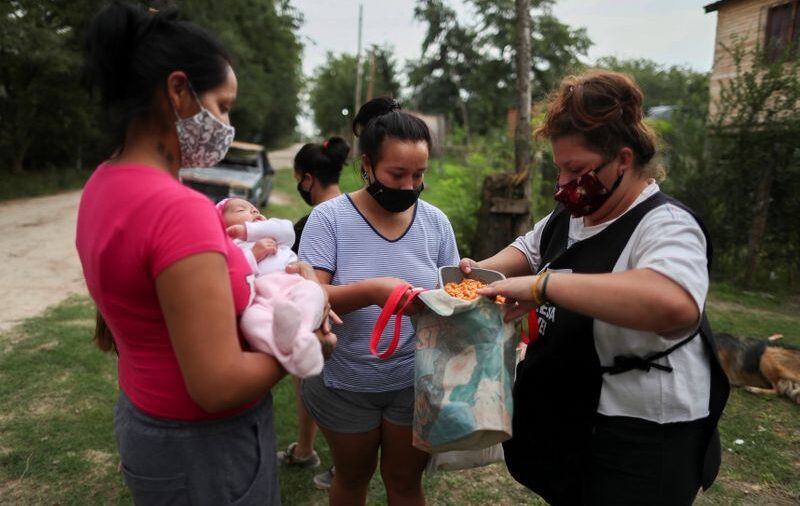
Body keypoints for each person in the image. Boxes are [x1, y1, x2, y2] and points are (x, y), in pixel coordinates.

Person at [75, 3, 334, 505]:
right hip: (207, 450)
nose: (225, 123)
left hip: (147, 425)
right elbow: (216, 386)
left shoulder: (102, 185)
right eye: (222, 105)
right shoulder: (178, 210)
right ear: (178, 91)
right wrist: (304, 347)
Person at [463, 69, 729, 506]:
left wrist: (544, 286)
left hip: (640, 435)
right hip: (576, 415)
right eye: (559, 168)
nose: (563, 184)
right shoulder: (574, 217)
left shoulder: (666, 225)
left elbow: (674, 304)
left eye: (577, 169)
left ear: (622, 160)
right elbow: (528, 251)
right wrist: (475, 277)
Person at [298, 96, 460, 506]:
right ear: (367, 164)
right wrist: (374, 291)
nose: (409, 186)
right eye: (397, 173)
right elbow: (308, 299)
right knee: (352, 480)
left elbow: (453, 296)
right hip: (343, 383)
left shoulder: (436, 223)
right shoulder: (329, 219)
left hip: (413, 382)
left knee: (405, 483)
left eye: (419, 175)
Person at [275, 137, 350, 487]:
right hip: (365, 322)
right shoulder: (359, 213)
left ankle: (333, 460)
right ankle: (311, 451)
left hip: (329, 322)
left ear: (307, 179)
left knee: (316, 383)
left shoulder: (312, 223)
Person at [217, 197, 328, 378]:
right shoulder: (230, 248)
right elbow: (234, 276)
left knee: (312, 291)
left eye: (255, 208)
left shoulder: (274, 233)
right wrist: (254, 255)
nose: (253, 211)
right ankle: (290, 345)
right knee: (250, 321)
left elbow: (287, 229)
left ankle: (300, 333)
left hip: (292, 285)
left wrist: (248, 230)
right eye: (240, 210)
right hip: (261, 299)